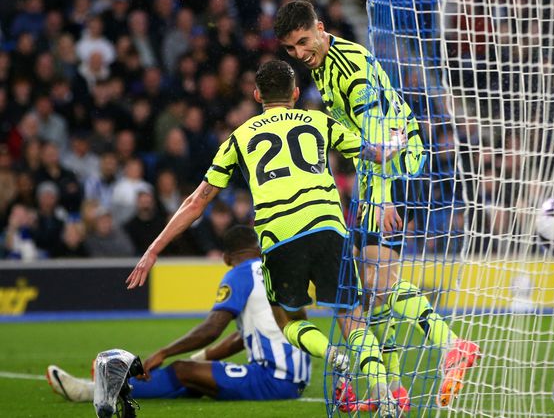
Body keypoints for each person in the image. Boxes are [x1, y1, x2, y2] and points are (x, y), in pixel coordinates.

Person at [125, 60, 406, 416]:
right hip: (328, 226)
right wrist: (397, 137)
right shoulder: (318, 120)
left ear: (257, 95)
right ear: (295, 93)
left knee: (287, 320)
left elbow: (197, 202)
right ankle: (383, 394)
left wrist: (153, 250)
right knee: (353, 319)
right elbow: (377, 154)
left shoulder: (239, 137)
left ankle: (330, 354)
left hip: (279, 235)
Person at [274, 0, 481, 407]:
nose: (299, 54)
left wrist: (381, 198)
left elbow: (381, 132)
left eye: (303, 42)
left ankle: (451, 345)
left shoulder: (351, 69)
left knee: (376, 284)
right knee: (373, 292)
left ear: (319, 27)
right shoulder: (324, 65)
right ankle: (394, 390)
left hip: (395, 173)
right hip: (378, 177)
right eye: (290, 49)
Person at [47, 225, 311, 402]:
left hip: (273, 380)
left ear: (226, 257)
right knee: (196, 377)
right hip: (297, 377)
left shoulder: (239, 274)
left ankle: (95, 391)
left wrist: (164, 352)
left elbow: (212, 329)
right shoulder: (276, 270)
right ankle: (110, 387)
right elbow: (249, 336)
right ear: (258, 247)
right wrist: (201, 358)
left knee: (182, 370)